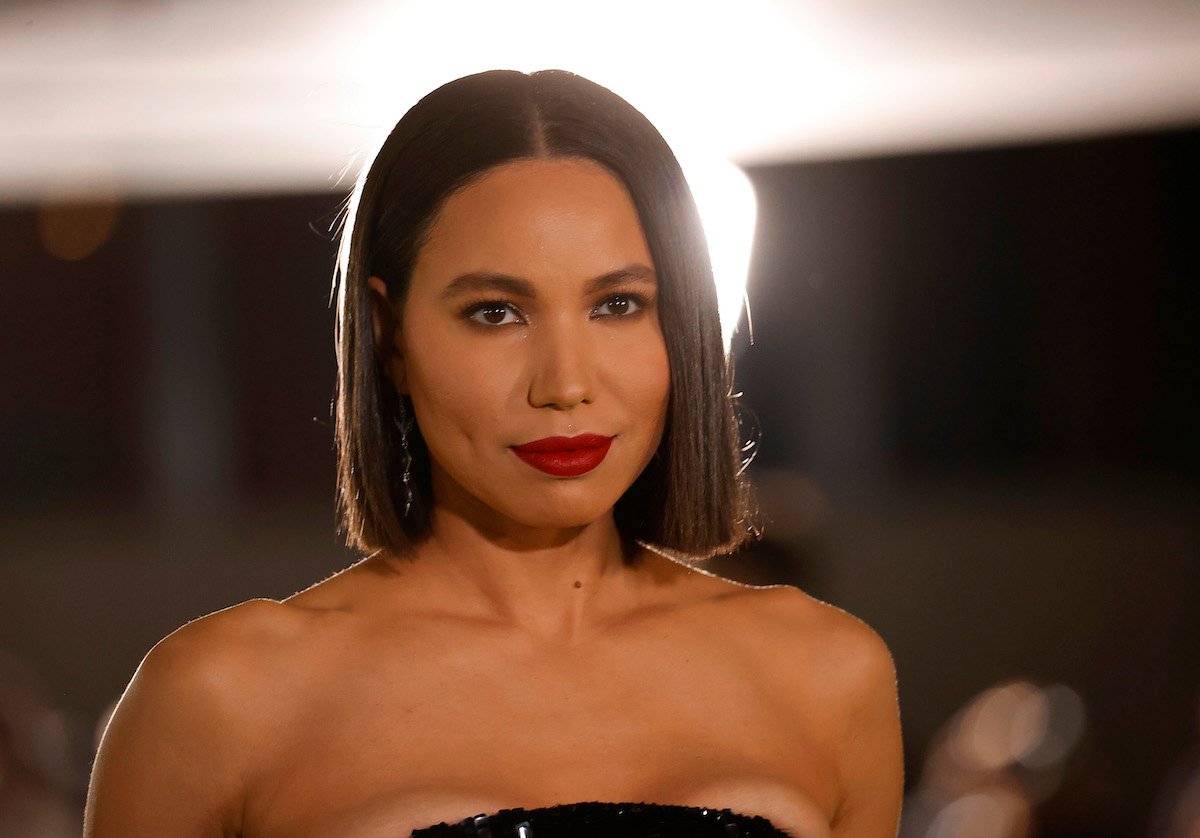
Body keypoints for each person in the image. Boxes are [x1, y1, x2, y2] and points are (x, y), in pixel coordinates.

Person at [84, 69, 903, 837]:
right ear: (387, 335)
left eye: (617, 304)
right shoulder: (219, 698)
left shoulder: (827, 674)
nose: (566, 384)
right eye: (495, 313)